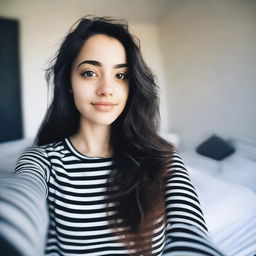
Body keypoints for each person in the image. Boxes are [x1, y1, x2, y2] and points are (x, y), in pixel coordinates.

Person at [0, 16, 225, 256]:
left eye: (121, 75)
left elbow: (189, 230)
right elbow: (20, 198)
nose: (106, 89)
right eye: (89, 73)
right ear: (68, 81)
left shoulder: (162, 157)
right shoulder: (42, 161)